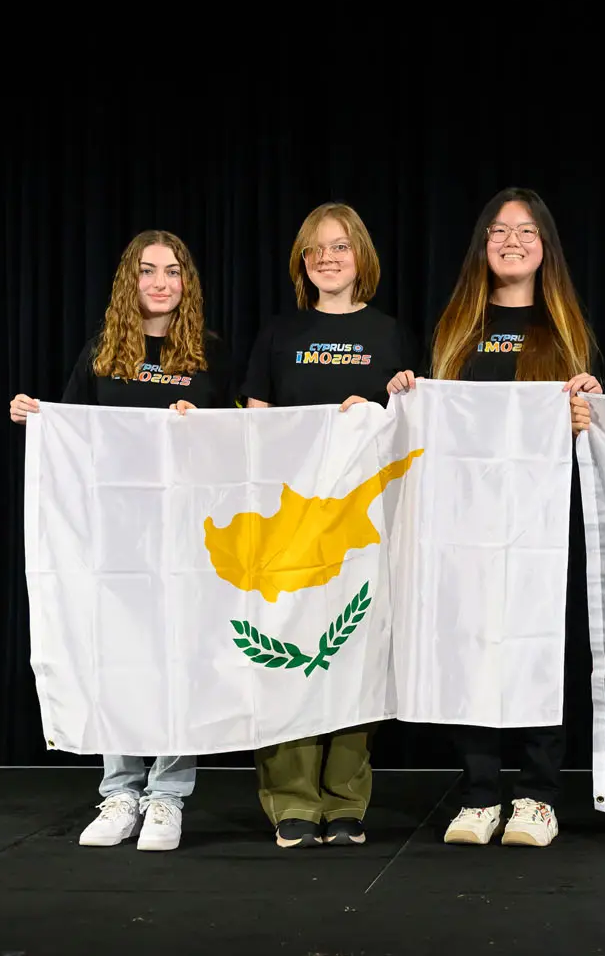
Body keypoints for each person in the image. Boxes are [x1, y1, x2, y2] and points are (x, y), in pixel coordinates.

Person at [9, 229, 232, 853]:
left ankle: (168, 795)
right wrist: (36, 414)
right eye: (147, 270)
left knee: (180, 659)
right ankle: (121, 791)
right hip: (115, 537)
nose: (160, 282)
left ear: (187, 283)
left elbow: (243, 442)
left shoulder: (211, 354)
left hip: (187, 535)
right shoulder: (103, 351)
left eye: (172, 271)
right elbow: (72, 428)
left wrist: (205, 425)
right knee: (120, 657)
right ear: (128, 281)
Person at [391, 187, 600, 849]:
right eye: (499, 231)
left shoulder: (568, 330)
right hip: (466, 521)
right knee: (470, 642)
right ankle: (480, 791)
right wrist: (406, 395)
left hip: (542, 525)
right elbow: (433, 428)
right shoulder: (456, 330)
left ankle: (537, 794)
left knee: (540, 645)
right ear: (482, 245)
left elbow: (593, 430)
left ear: (546, 247)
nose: (512, 241)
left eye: (526, 230)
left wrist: (589, 406)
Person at [240, 201, 420, 850]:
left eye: (340, 246)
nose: (327, 258)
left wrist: (395, 400)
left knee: (353, 654)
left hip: (361, 527)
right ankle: (293, 801)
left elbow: (410, 434)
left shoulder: (391, 334)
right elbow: (254, 429)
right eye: (315, 249)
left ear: (361, 257)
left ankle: (345, 800)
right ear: (302, 262)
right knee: (287, 655)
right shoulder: (278, 334)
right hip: (289, 523)